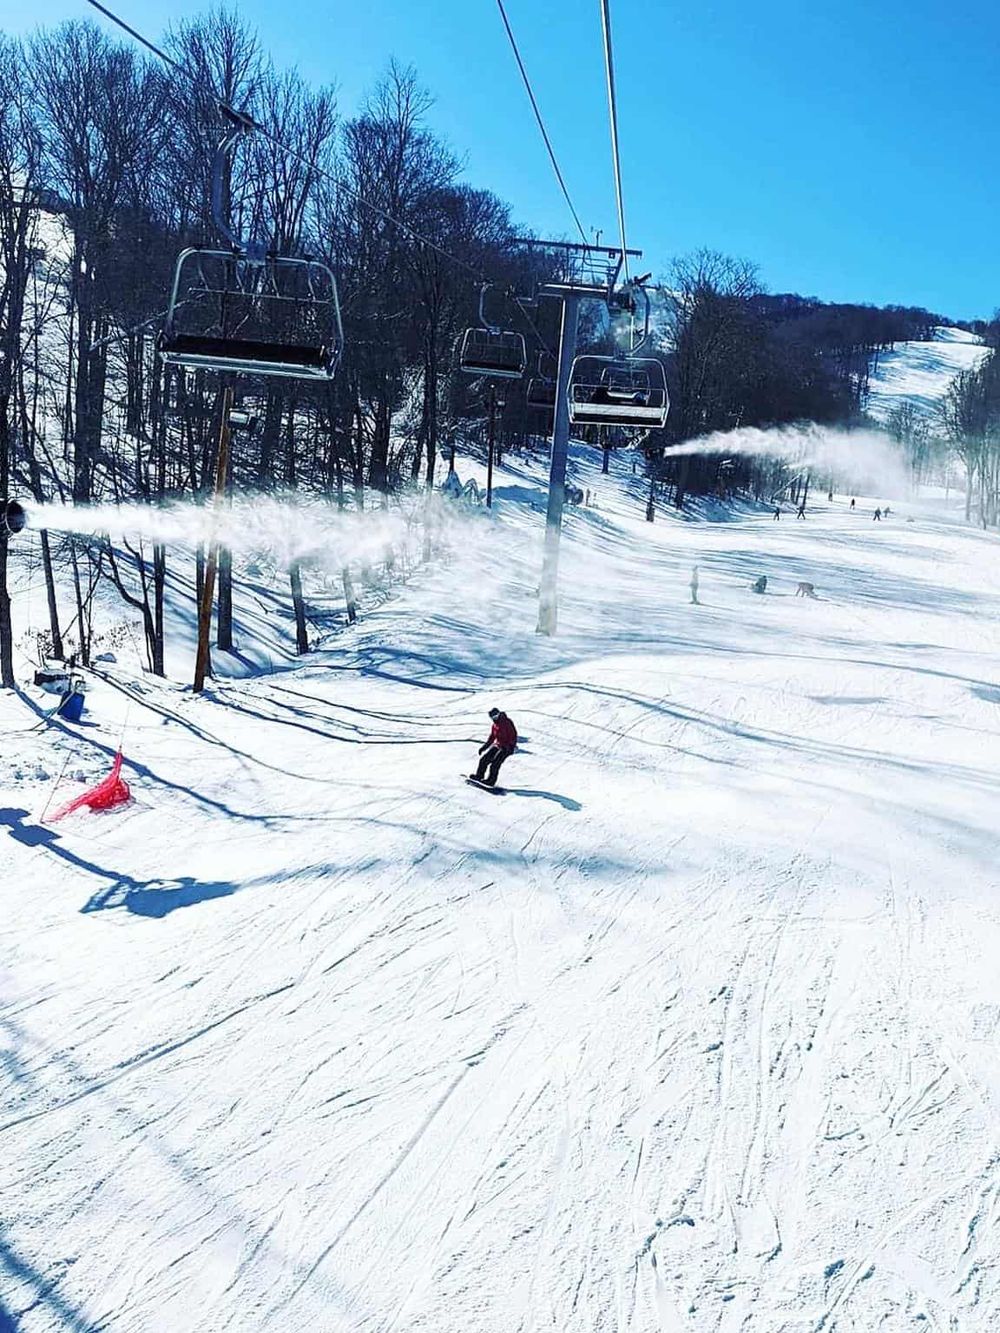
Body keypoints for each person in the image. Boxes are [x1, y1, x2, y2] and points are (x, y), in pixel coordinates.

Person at [471, 707, 518, 787]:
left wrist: (509, 746)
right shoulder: (495, 725)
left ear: (499, 714)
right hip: (498, 745)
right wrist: (484, 747)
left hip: (507, 748)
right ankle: (479, 776)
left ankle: (491, 781)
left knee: (495, 764)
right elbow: (492, 737)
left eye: (496, 716)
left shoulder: (507, 722)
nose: (495, 718)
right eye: (493, 717)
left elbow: (513, 735)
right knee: (484, 760)